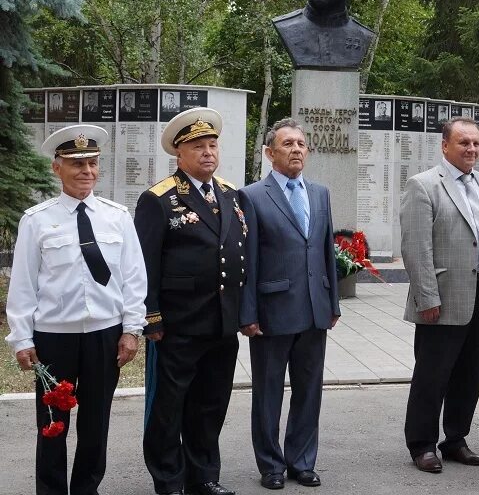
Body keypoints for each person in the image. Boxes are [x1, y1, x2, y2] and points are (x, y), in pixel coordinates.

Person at [6, 125, 147, 495]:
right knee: (52, 421)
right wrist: (21, 337)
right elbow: (23, 284)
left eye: (92, 163)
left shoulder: (117, 217)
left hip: (105, 333)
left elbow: (134, 278)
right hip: (54, 337)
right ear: (57, 168)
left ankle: (87, 489)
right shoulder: (37, 220)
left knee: (96, 422)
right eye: (76, 163)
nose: (86, 171)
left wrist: (132, 330)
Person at [135, 107, 248, 495]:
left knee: (210, 404)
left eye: (212, 145)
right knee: (169, 407)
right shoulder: (159, 199)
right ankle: (168, 479)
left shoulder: (232, 195)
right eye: (198, 146)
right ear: (179, 154)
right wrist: (151, 317)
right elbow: (145, 263)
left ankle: (203, 477)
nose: (208, 153)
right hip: (179, 324)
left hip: (221, 323)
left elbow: (238, 255)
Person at [400, 117, 479, 474]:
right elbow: (417, 247)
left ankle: (455, 439)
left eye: (477, 143)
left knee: (469, 373)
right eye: (464, 143)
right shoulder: (425, 185)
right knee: (433, 374)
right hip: (443, 297)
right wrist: (426, 297)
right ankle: (422, 444)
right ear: (445, 145)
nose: (472, 150)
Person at [239, 119, 340, 490]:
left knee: (309, 390)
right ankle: (271, 465)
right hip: (272, 311)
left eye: (301, 143)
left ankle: (301, 461)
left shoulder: (320, 193)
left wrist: (333, 303)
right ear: (270, 153)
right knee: (268, 392)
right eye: (288, 144)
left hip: (315, 309)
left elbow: (326, 249)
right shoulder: (251, 196)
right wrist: (247, 313)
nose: (297, 149)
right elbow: (246, 260)